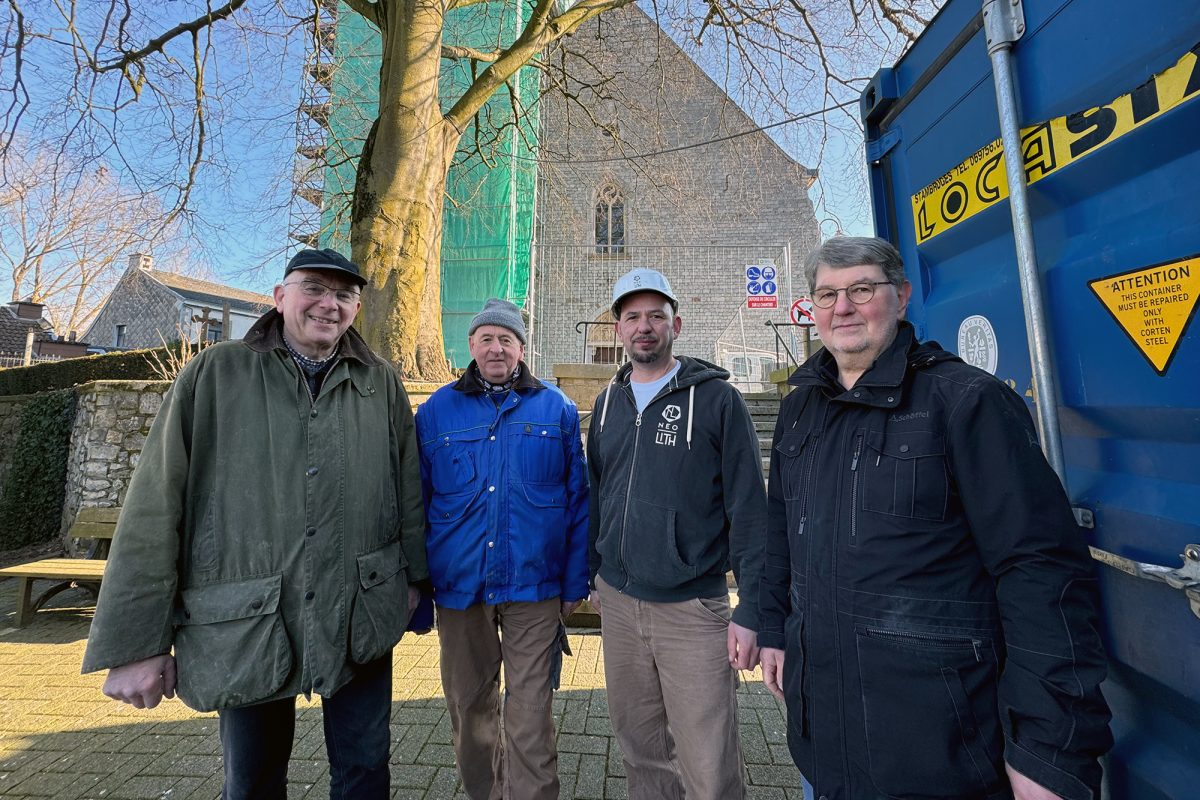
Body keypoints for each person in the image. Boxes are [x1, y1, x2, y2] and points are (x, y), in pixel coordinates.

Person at [758, 237, 1112, 800]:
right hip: (823, 742)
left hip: (939, 752)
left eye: (861, 290)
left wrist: (1047, 751)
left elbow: (1040, 570)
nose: (842, 308)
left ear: (900, 297)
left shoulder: (968, 402)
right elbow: (781, 530)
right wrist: (772, 625)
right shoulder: (802, 407)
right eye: (827, 294)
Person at [81, 248, 427, 799]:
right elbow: (154, 506)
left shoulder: (379, 382)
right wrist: (136, 645)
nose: (328, 304)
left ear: (357, 307)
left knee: (365, 772)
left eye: (344, 295)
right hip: (248, 620)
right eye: (313, 288)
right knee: (253, 781)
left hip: (360, 611)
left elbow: (406, 487)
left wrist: (414, 583)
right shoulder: (216, 372)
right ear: (280, 296)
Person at [586, 267, 766, 800]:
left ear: (676, 325)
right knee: (641, 753)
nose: (644, 327)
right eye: (632, 317)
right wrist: (594, 574)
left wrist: (754, 607)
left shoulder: (717, 402)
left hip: (692, 610)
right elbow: (598, 494)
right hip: (618, 605)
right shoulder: (606, 405)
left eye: (656, 317)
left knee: (707, 764)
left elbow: (749, 509)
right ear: (617, 329)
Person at [415, 298, 588, 800]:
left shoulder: (555, 409)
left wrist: (575, 582)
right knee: (471, 711)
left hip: (535, 588)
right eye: (486, 338)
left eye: (506, 339)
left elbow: (578, 501)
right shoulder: (435, 413)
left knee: (530, 714)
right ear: (470, 346)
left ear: (521, 348)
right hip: (460, 589)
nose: (496, 348)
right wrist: (420, 585)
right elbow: (417, 502)